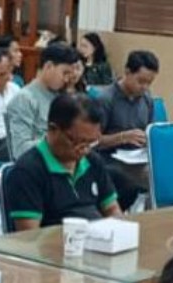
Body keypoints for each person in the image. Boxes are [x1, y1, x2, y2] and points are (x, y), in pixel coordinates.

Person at [7, 94, 120, 230]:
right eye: (78, 141)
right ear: (53, 129)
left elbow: (112, 209)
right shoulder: (27, 171)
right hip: (55, 246)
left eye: (91, 142)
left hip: (96, 242)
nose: (84, 150)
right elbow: (29, 236)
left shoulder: (92, 161)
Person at [96, 50, 159, 210]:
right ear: (127, 72)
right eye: (141, 81)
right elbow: (92, 141)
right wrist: (122, 137)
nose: (145, 87)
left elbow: (150, 130)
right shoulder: (105, 99)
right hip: (111, 160)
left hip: (138, 157)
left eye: (149, 83)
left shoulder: (146, 99)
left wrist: (150, 139)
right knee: (157, 177)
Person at [4, 43, 80, 160]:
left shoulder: (62, 96)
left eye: (69, 75)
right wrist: (56, 141)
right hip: (37, 167)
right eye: (64, 73)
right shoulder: (25, 99)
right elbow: (20, 150)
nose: (66, 79)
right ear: (48, 66)